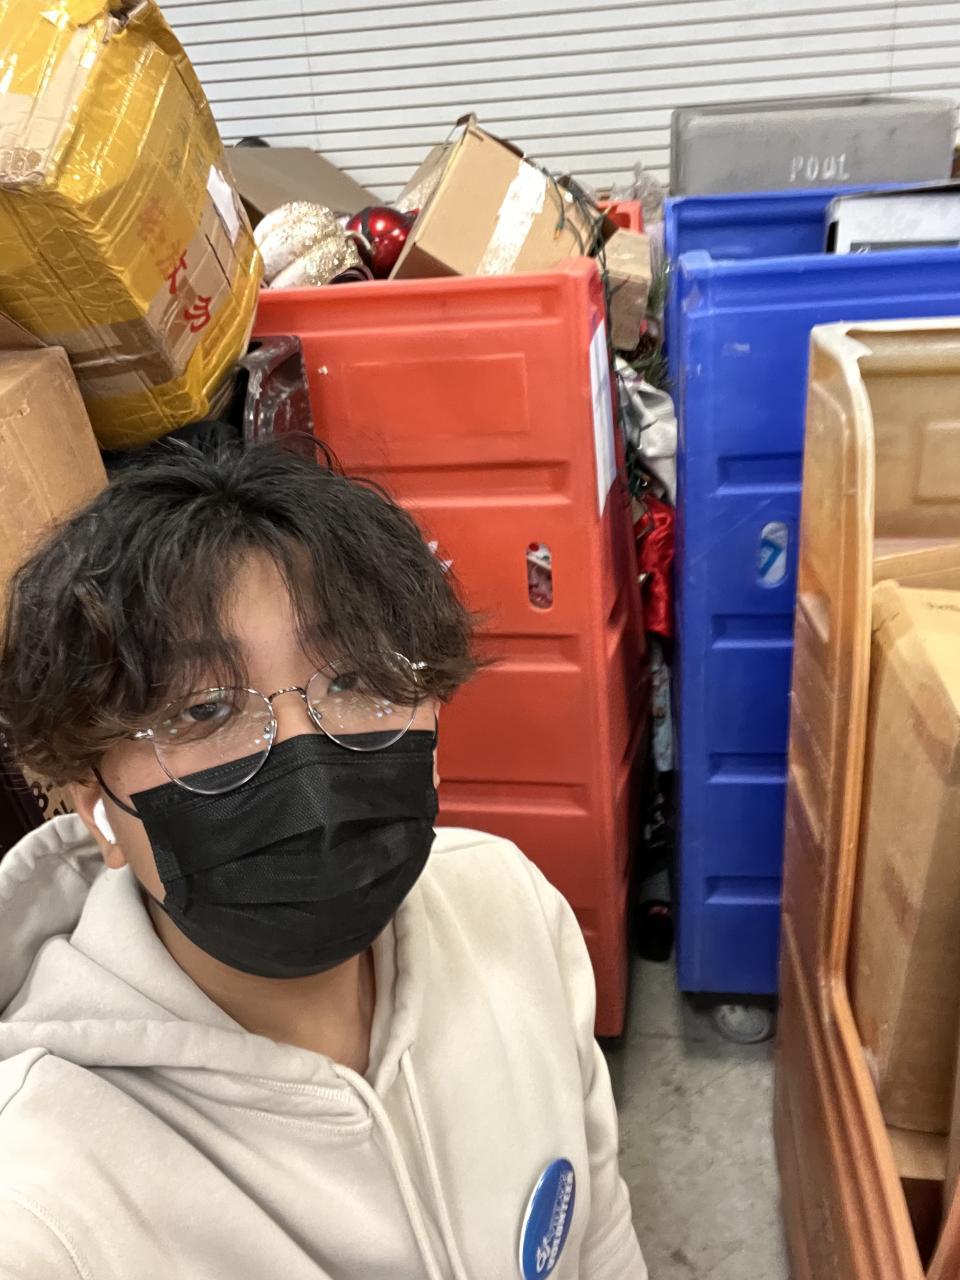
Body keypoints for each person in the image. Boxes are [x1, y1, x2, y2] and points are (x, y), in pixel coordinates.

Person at [0, 443, 646, 1280]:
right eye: (202, 709)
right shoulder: (43, 1205)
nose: (310, 776)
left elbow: (599, 1231)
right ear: (97, 808)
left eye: (355, 678)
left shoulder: (510, 902)